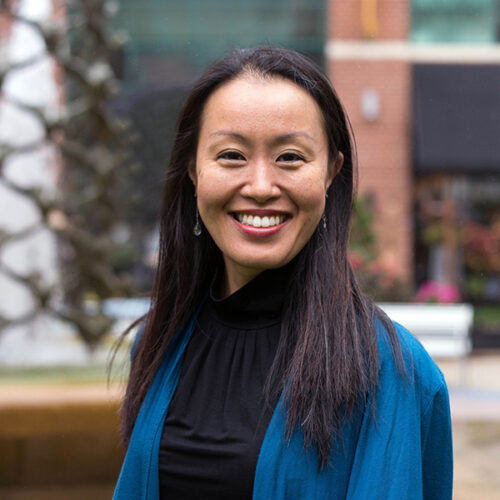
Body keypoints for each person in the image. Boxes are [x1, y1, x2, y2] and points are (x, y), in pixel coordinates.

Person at [112, 47, 453, 500]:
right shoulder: (157, 343)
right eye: (231, 155)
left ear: (331, 172)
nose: (259, 186)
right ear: (194, 170)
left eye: (290, 157)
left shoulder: (391, 373)